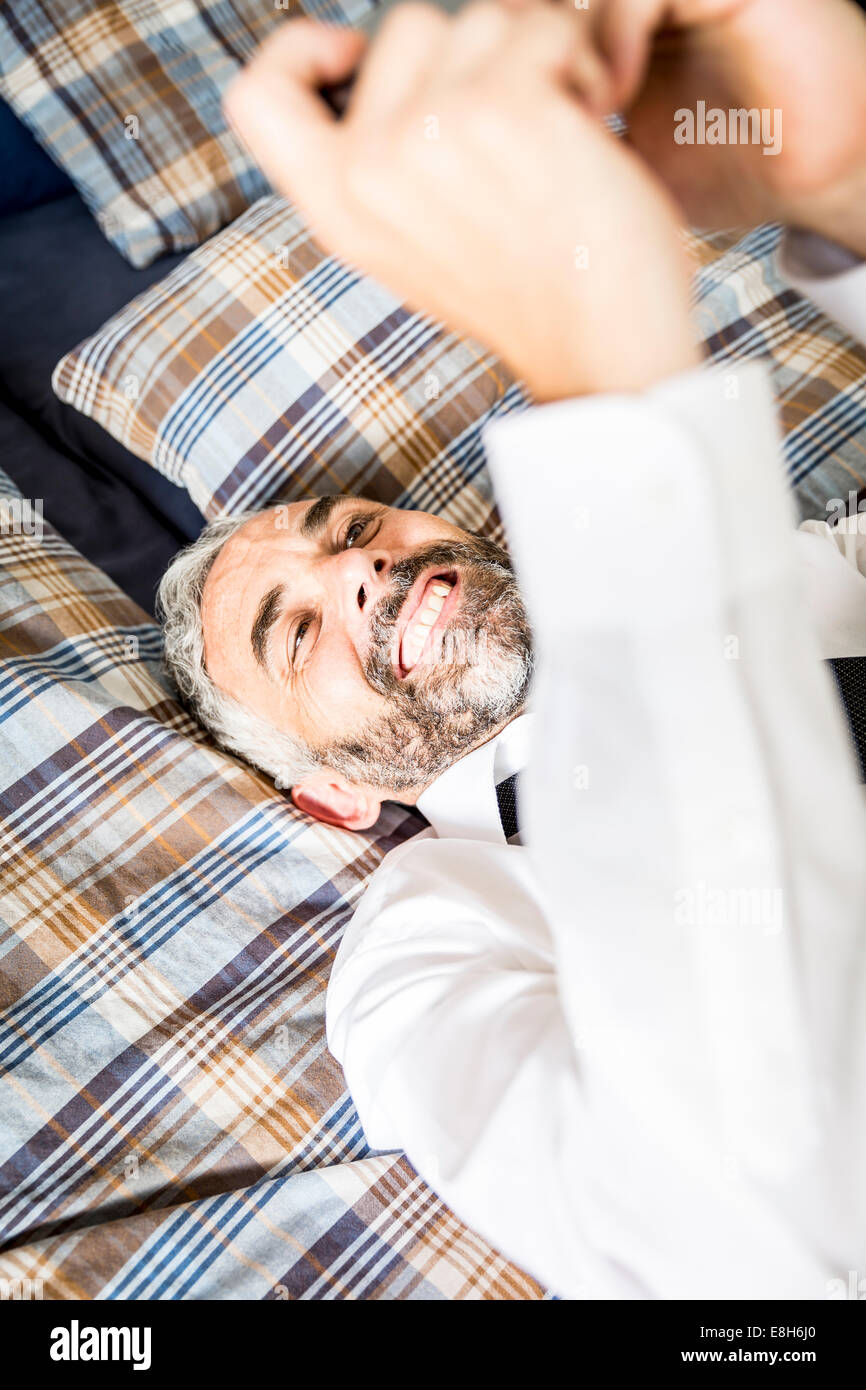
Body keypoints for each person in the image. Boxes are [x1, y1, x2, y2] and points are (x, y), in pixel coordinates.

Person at [156, 0, 866, 1297]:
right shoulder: (429, 950)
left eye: (355, 528)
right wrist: (609, 401)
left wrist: (839, 177)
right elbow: (759, 1264)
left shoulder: (801, 555)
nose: (359, 567)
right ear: (331, 791)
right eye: (298, 629)